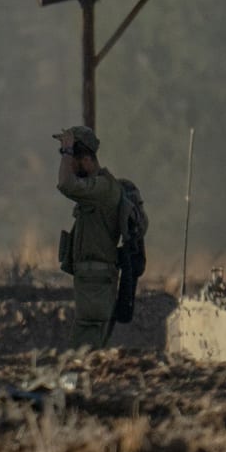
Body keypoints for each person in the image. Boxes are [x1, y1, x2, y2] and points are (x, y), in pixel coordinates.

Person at [54, 124, 126, 351]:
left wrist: (65, 151)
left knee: (83, 350)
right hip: (92, 279)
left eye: (71, 158)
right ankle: (82, 384)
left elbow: (65, 184)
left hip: (96, 281)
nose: (68, 164)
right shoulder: (99, 189)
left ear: (84, 158)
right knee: (88, 347)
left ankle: (76, 385)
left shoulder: (103, 188)